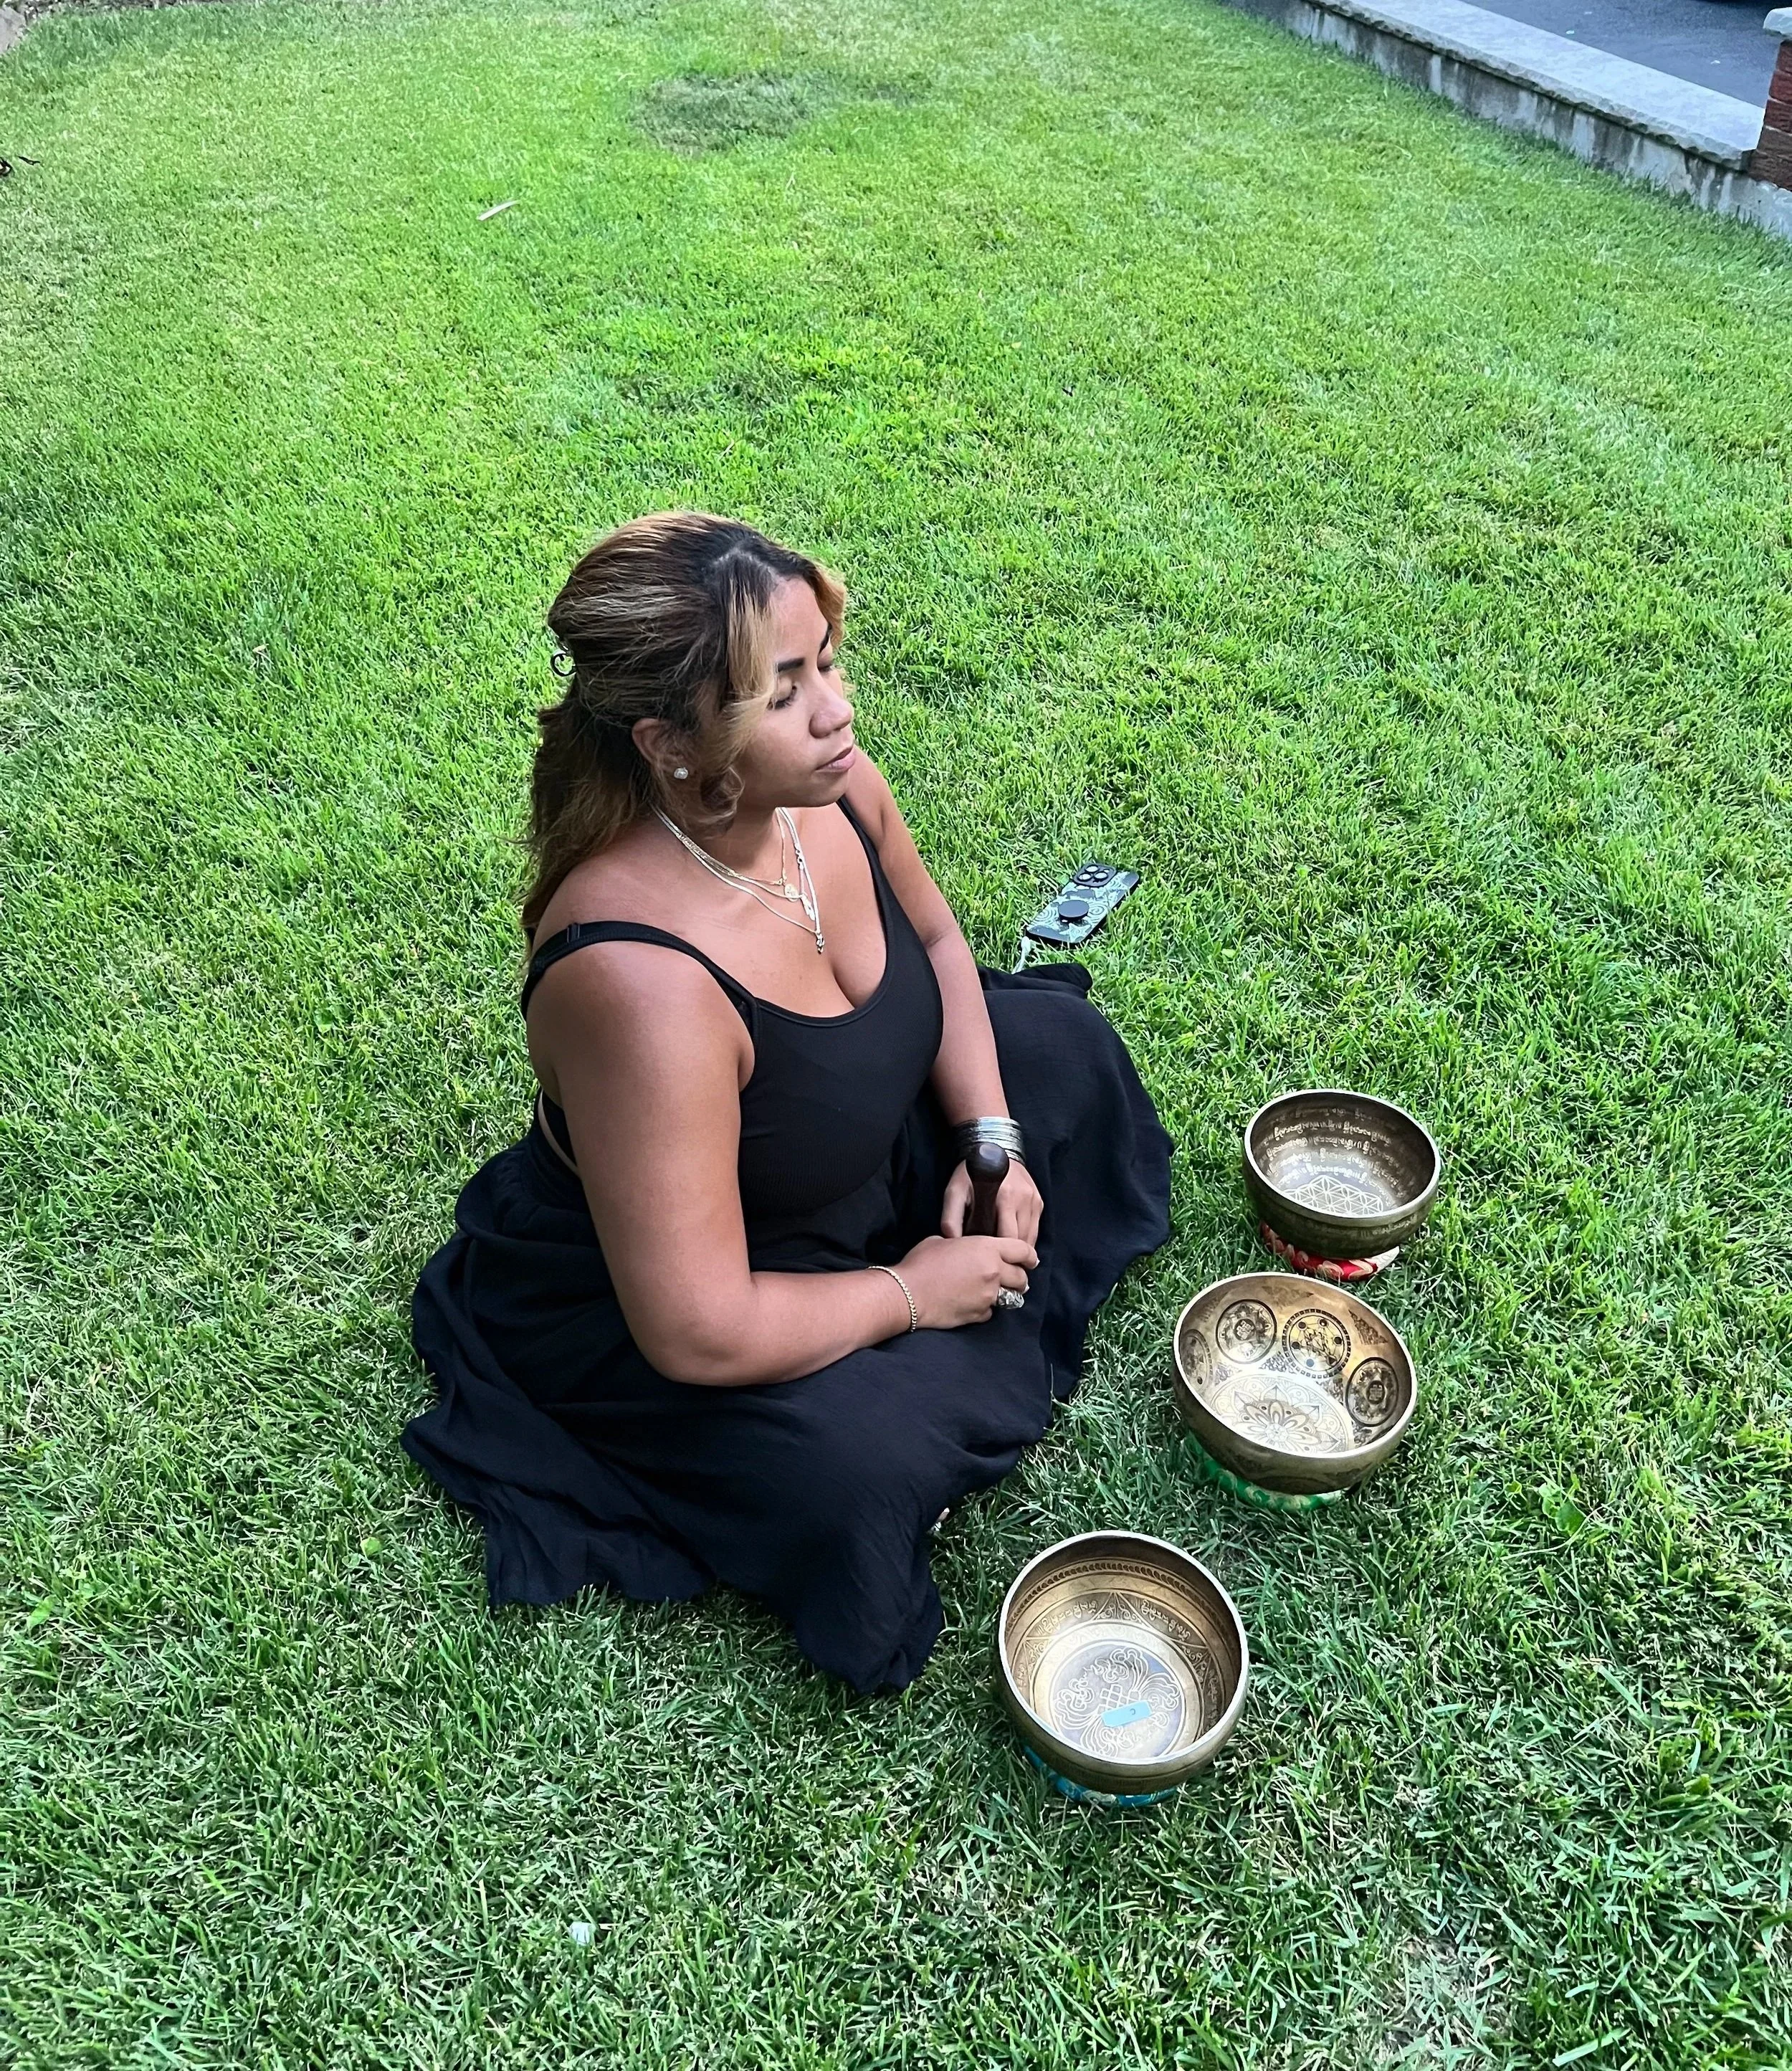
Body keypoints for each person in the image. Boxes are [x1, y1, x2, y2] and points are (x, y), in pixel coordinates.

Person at [405, 514, 1172, 1692]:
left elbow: (935, 937)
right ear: (670, 742)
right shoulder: (637, 980)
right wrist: (914, 1293)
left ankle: (976, 1266)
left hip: (853, 1151)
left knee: (1059, 1048)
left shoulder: (835, 785)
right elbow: (698, 1328)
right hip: (702, 1280)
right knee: (852, 1473)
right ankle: (943, 1322)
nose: (838, 709)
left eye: (827, 663)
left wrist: (991, 1143)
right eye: (784, 690)